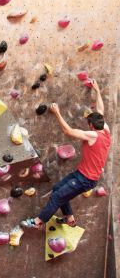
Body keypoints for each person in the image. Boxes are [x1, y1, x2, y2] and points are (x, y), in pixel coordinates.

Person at [22, 79, 111, 229]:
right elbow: (101, 110)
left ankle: (38, 222)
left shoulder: (92, 135)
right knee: (58, 189)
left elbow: (68, 131)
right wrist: (97, 91)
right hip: (83, 175)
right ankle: (69, 218)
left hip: (85, 179)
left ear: (91, 125)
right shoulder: (105, 129)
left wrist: (57, 113)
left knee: (57, 196)